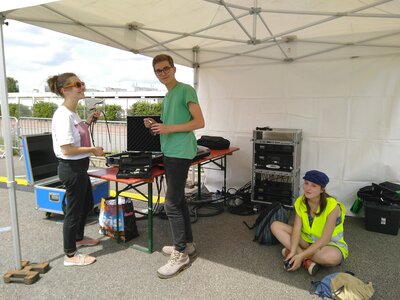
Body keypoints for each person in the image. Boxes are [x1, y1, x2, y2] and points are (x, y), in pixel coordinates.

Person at [144, 54, 205, 279]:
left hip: (180, 152)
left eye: (165, 69)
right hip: (170, 152)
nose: (162, 73)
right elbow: (170, 124)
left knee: (170, 204)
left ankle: (180, 254)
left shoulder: (185, 89)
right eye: (158, 71)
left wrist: (168, 129)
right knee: (178, 201)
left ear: (174, 69)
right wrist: (155, 125)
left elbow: (199, 122)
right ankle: (187, 244)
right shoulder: (168, 95)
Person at [47, 73, 105, 267]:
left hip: (80, 167)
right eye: (77, 84)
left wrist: (87, 122)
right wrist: (93, 150)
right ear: (65, 90)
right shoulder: (63, 115)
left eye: (82, 83)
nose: (82, 87)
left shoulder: (72, 113)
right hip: (71, 168)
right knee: (73, 212)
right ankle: (70, 254)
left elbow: (76, 136)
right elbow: (67, 148)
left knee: (86, 203)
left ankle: (78, 237)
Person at [270, 170, 348, 275]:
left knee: (331, 258)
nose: (308, 188)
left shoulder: (333, 207)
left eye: (313, 185)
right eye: (306, 183)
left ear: (322, 189)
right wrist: (293, 250)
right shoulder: (300, 201)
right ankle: (305, 259)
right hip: (307, 240)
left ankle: (300, 256)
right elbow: (297, 229)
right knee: (275, 226)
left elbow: (325, 239)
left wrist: (300, 255)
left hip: (328, 244)